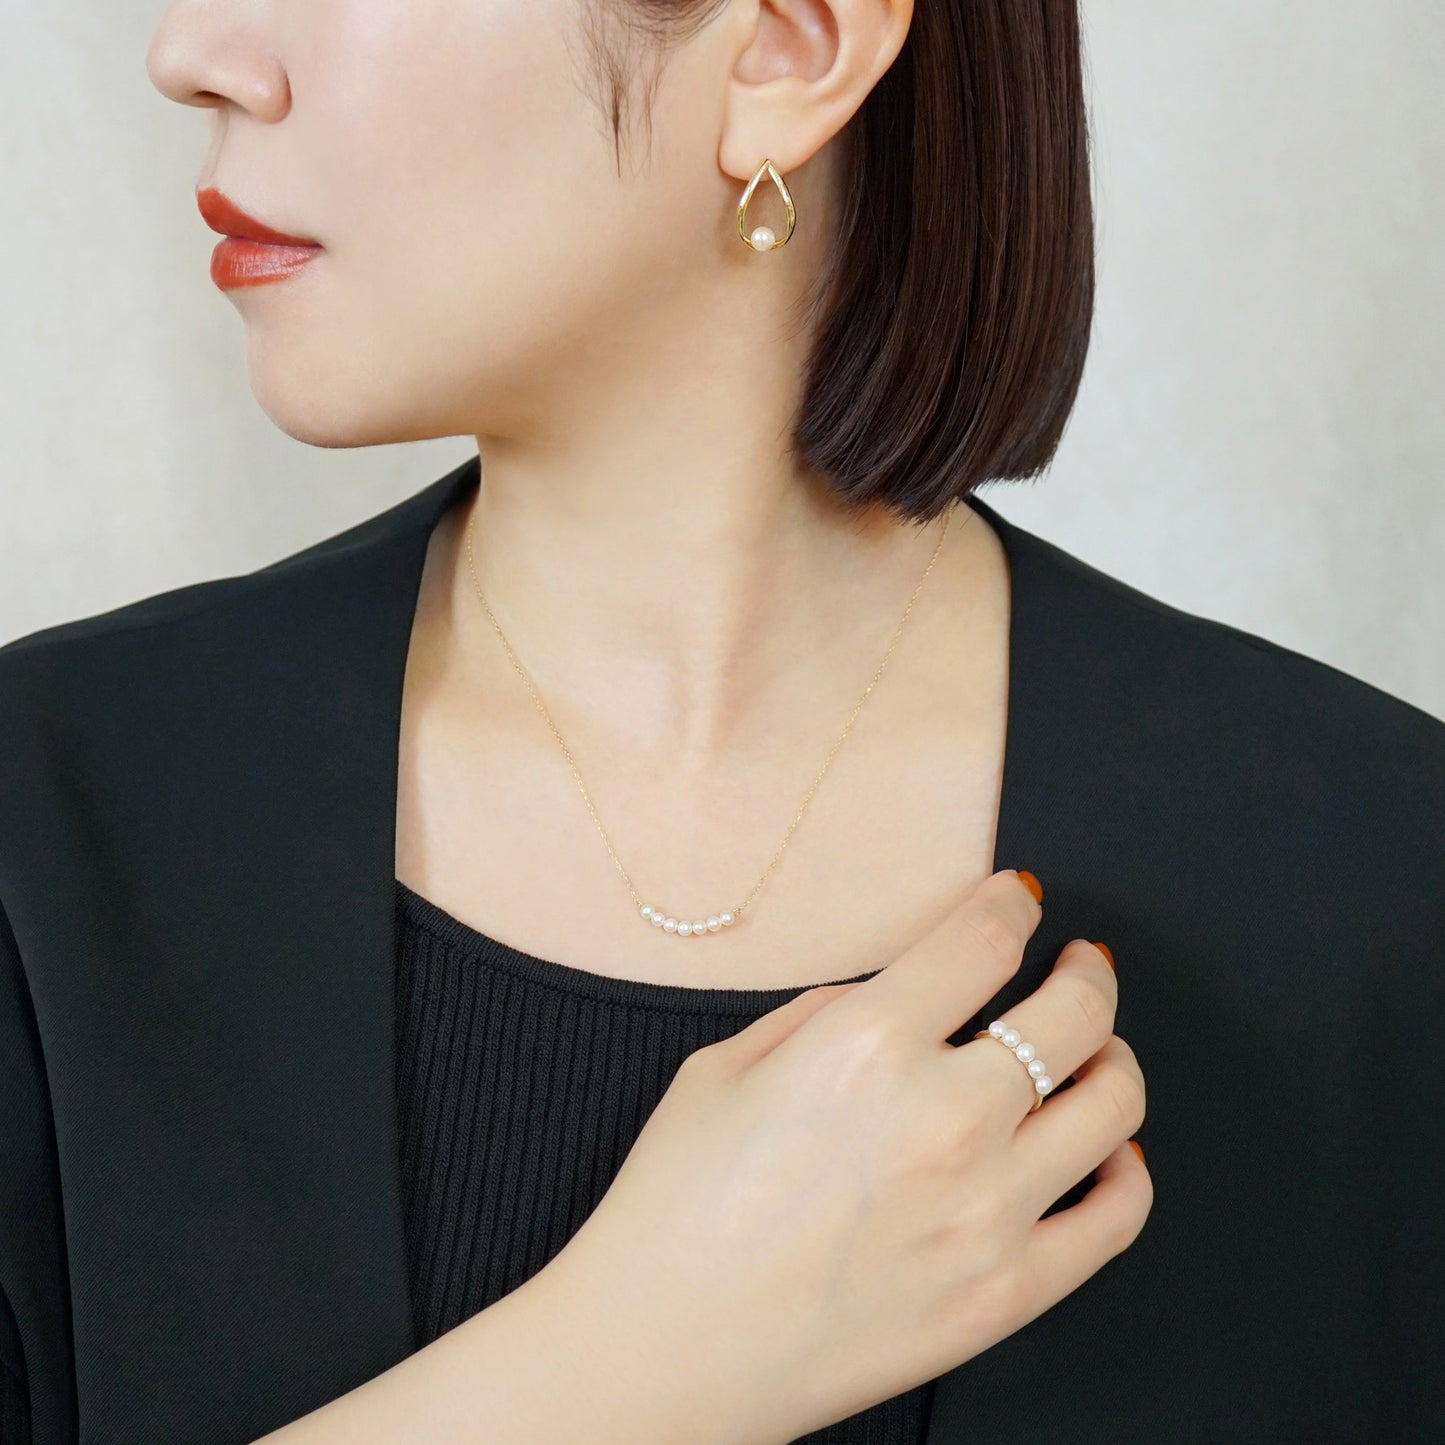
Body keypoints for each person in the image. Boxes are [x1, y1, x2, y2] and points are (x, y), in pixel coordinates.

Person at [2, 1, 1441, 1442]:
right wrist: (631, 1364)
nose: (190, 52)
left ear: (787, 46)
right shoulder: (42, 823)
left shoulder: (1382, 888)